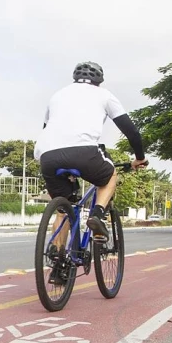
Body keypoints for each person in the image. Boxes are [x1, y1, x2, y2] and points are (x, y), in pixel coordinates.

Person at [35, 61, 149, 243]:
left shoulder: (57, 96)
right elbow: (131, 132)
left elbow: (45, 129)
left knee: (62, 211)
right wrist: (140, 158)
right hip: (84, 152)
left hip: (47, 155)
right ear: (99, 80)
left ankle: (58, 263)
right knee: (110, 175)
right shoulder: (104, 95)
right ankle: (97, 215)